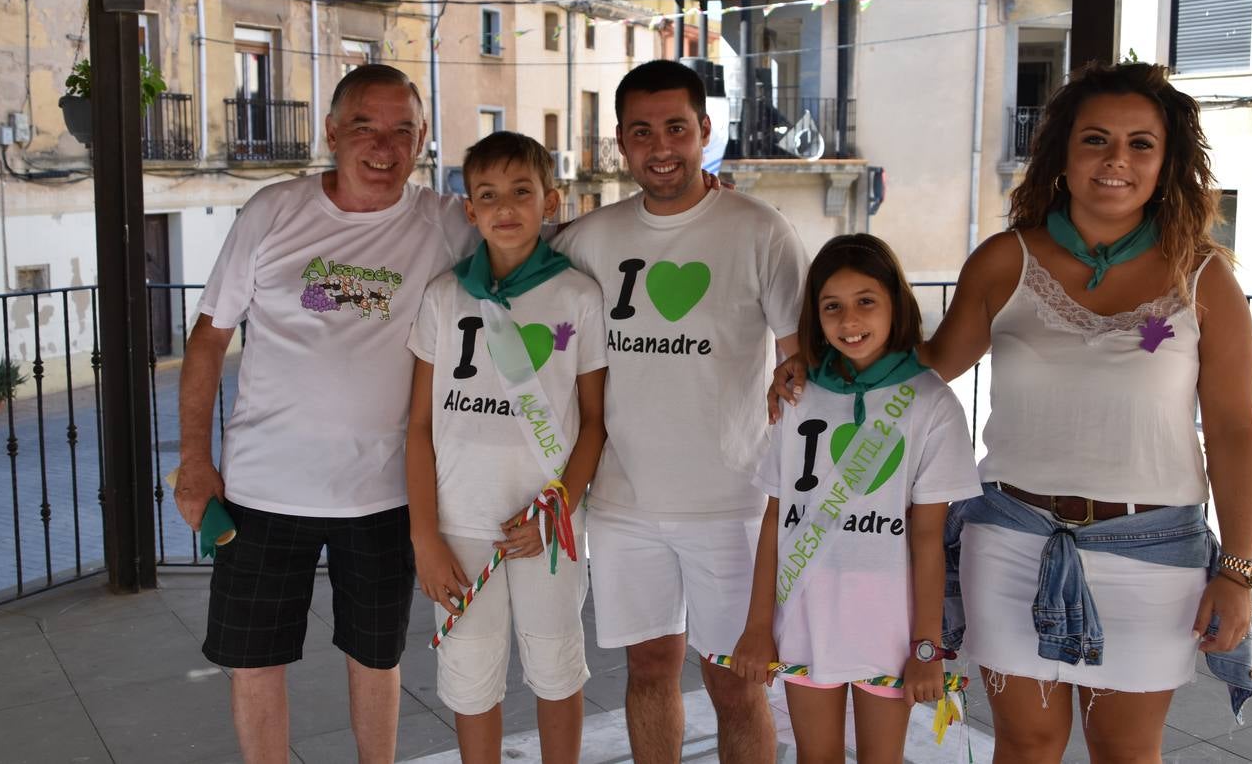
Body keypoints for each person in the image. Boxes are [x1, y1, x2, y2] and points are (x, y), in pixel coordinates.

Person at [771, 61, 1252, 763]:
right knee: (1025, 745)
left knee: (1126, 751)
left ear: (1168, 161)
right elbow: (920, 370)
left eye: (1141, 143)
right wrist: (813, 367)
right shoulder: (1008, 260)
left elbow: (1236, 432)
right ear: (1064, 151)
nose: (1116, 160)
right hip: (1011, 540)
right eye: (1096, 140)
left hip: (1152, 553)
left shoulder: (1204, 276)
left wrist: (1238, 571)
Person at [174, 65, 479, 764]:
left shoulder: (444, 223)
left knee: (376, 658)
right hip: (260, 490)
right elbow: (208, 336)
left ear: (423, 139)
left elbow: (531, 246)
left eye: (403, 129)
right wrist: (195, 461)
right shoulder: (273, 212)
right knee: (253, 661)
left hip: (382, 493)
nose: (384, 144)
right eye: (366, 126)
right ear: (333, 132)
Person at [551, 60, 809, 763]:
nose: (660, 147)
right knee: (648, 671)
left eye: (676, 128)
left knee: (735, 686)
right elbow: (503, 277)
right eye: (642, 132)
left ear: (704, 131)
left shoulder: (760, 230)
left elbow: (802, 364)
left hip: (732, 505)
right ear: (620, 142)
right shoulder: (587, 239)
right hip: (624, 503)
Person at [731, 234, 980, 764]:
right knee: (813, 755)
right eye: (832, 307)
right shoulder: (794, 396)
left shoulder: (931, 403)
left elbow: (930, 538)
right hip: (805, 612)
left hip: (890, 623)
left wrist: (925, 647)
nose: (849, 321)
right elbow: (775, 518)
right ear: (813, 316)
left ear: (896, 304)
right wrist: (756, 628)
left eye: (866, 301)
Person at [406, 131, 607, 764]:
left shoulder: (578, 296)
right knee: (470, 681)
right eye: (487, 195)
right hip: (460, 525)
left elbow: (595, 422)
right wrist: (426, 540)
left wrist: (561, 504)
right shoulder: (444, 297)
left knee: (556, 667)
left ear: (551, 201)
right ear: (469, 210)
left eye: (522, 192)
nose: (506, 208)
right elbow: (416, 427)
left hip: (547, 527)